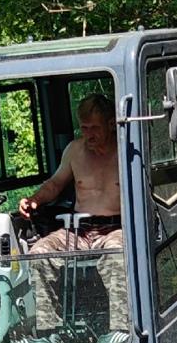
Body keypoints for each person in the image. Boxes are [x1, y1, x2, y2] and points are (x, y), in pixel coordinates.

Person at [18, 92, 123, 252]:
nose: (89, 135)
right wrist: (34, 199)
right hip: (78, 230)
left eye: (95, 128)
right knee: (40, 251)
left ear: (110, 124)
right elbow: (54, 184)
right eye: (84, 128)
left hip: (116, 229)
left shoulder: (124, 152)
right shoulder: (74, 150)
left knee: (115, 251)